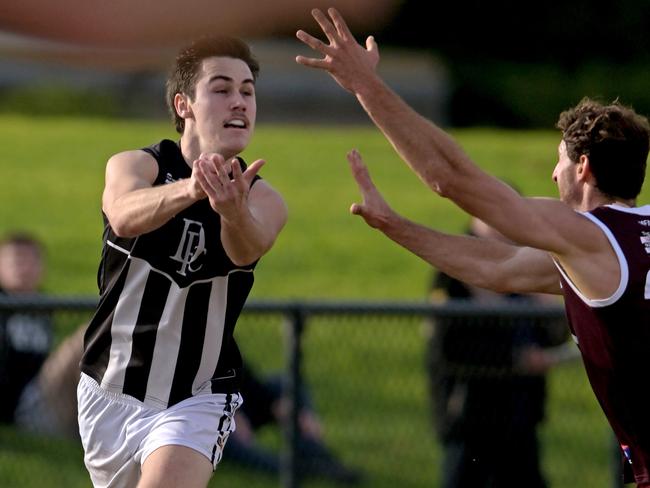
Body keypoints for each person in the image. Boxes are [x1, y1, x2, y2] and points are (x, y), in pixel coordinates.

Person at [296, 8, 650, 487]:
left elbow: (451, 179)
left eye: (559, 162)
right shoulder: (606, 253)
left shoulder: (589, 235)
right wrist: (398, 227)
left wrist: (366, 86)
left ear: (583, 167)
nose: (552, 174)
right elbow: (499, 266)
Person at [77, 35, 288, 488]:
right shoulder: (137, 165)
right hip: (107, 389)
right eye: (222, 88)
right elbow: (123, 215)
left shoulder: (263, 198)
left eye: (248, 91)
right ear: (184, 104)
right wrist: (193, 188)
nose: (240, 102)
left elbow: (246, 248)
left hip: (197, 396)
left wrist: (230, 210)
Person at [426, 217, 576, 488]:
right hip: (470, 417)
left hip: (519, 414)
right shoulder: (454, 276)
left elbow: (552, 337)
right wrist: (514, 359)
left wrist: (552, 313)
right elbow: (450, 348)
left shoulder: (526, 271)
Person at [223, 360, 362, 484]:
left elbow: (240, 372)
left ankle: (316, 451)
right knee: (238, 448)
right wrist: (229, 411)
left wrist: (274, 404)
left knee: (285, 384)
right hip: (214, 414)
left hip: (240, 402)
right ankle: (299, 469)